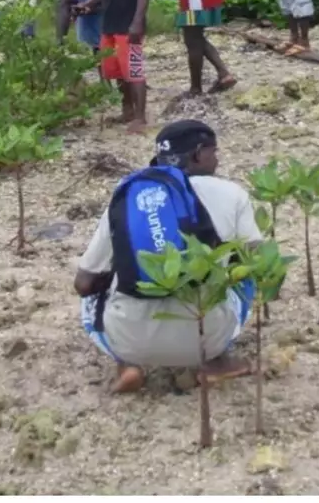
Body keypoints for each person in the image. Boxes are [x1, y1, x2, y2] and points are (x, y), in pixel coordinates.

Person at [73, 119, 263, 392]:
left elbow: (83, 284)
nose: (217, 159)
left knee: (92, 291)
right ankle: (217, 362)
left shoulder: (129, 193)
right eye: (214, 152)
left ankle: (127, 364)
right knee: (246, 276)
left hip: (131, 340)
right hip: (207, 339)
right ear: (198, 154)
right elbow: (255, 260)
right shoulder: (232, 194)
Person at [73, 0, 154, 134]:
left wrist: (138, 21)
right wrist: (87, 4)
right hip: (108, 21)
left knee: (134, 71)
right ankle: (127, 109)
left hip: (129, 21)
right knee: (115, 69)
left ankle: (140, 117)